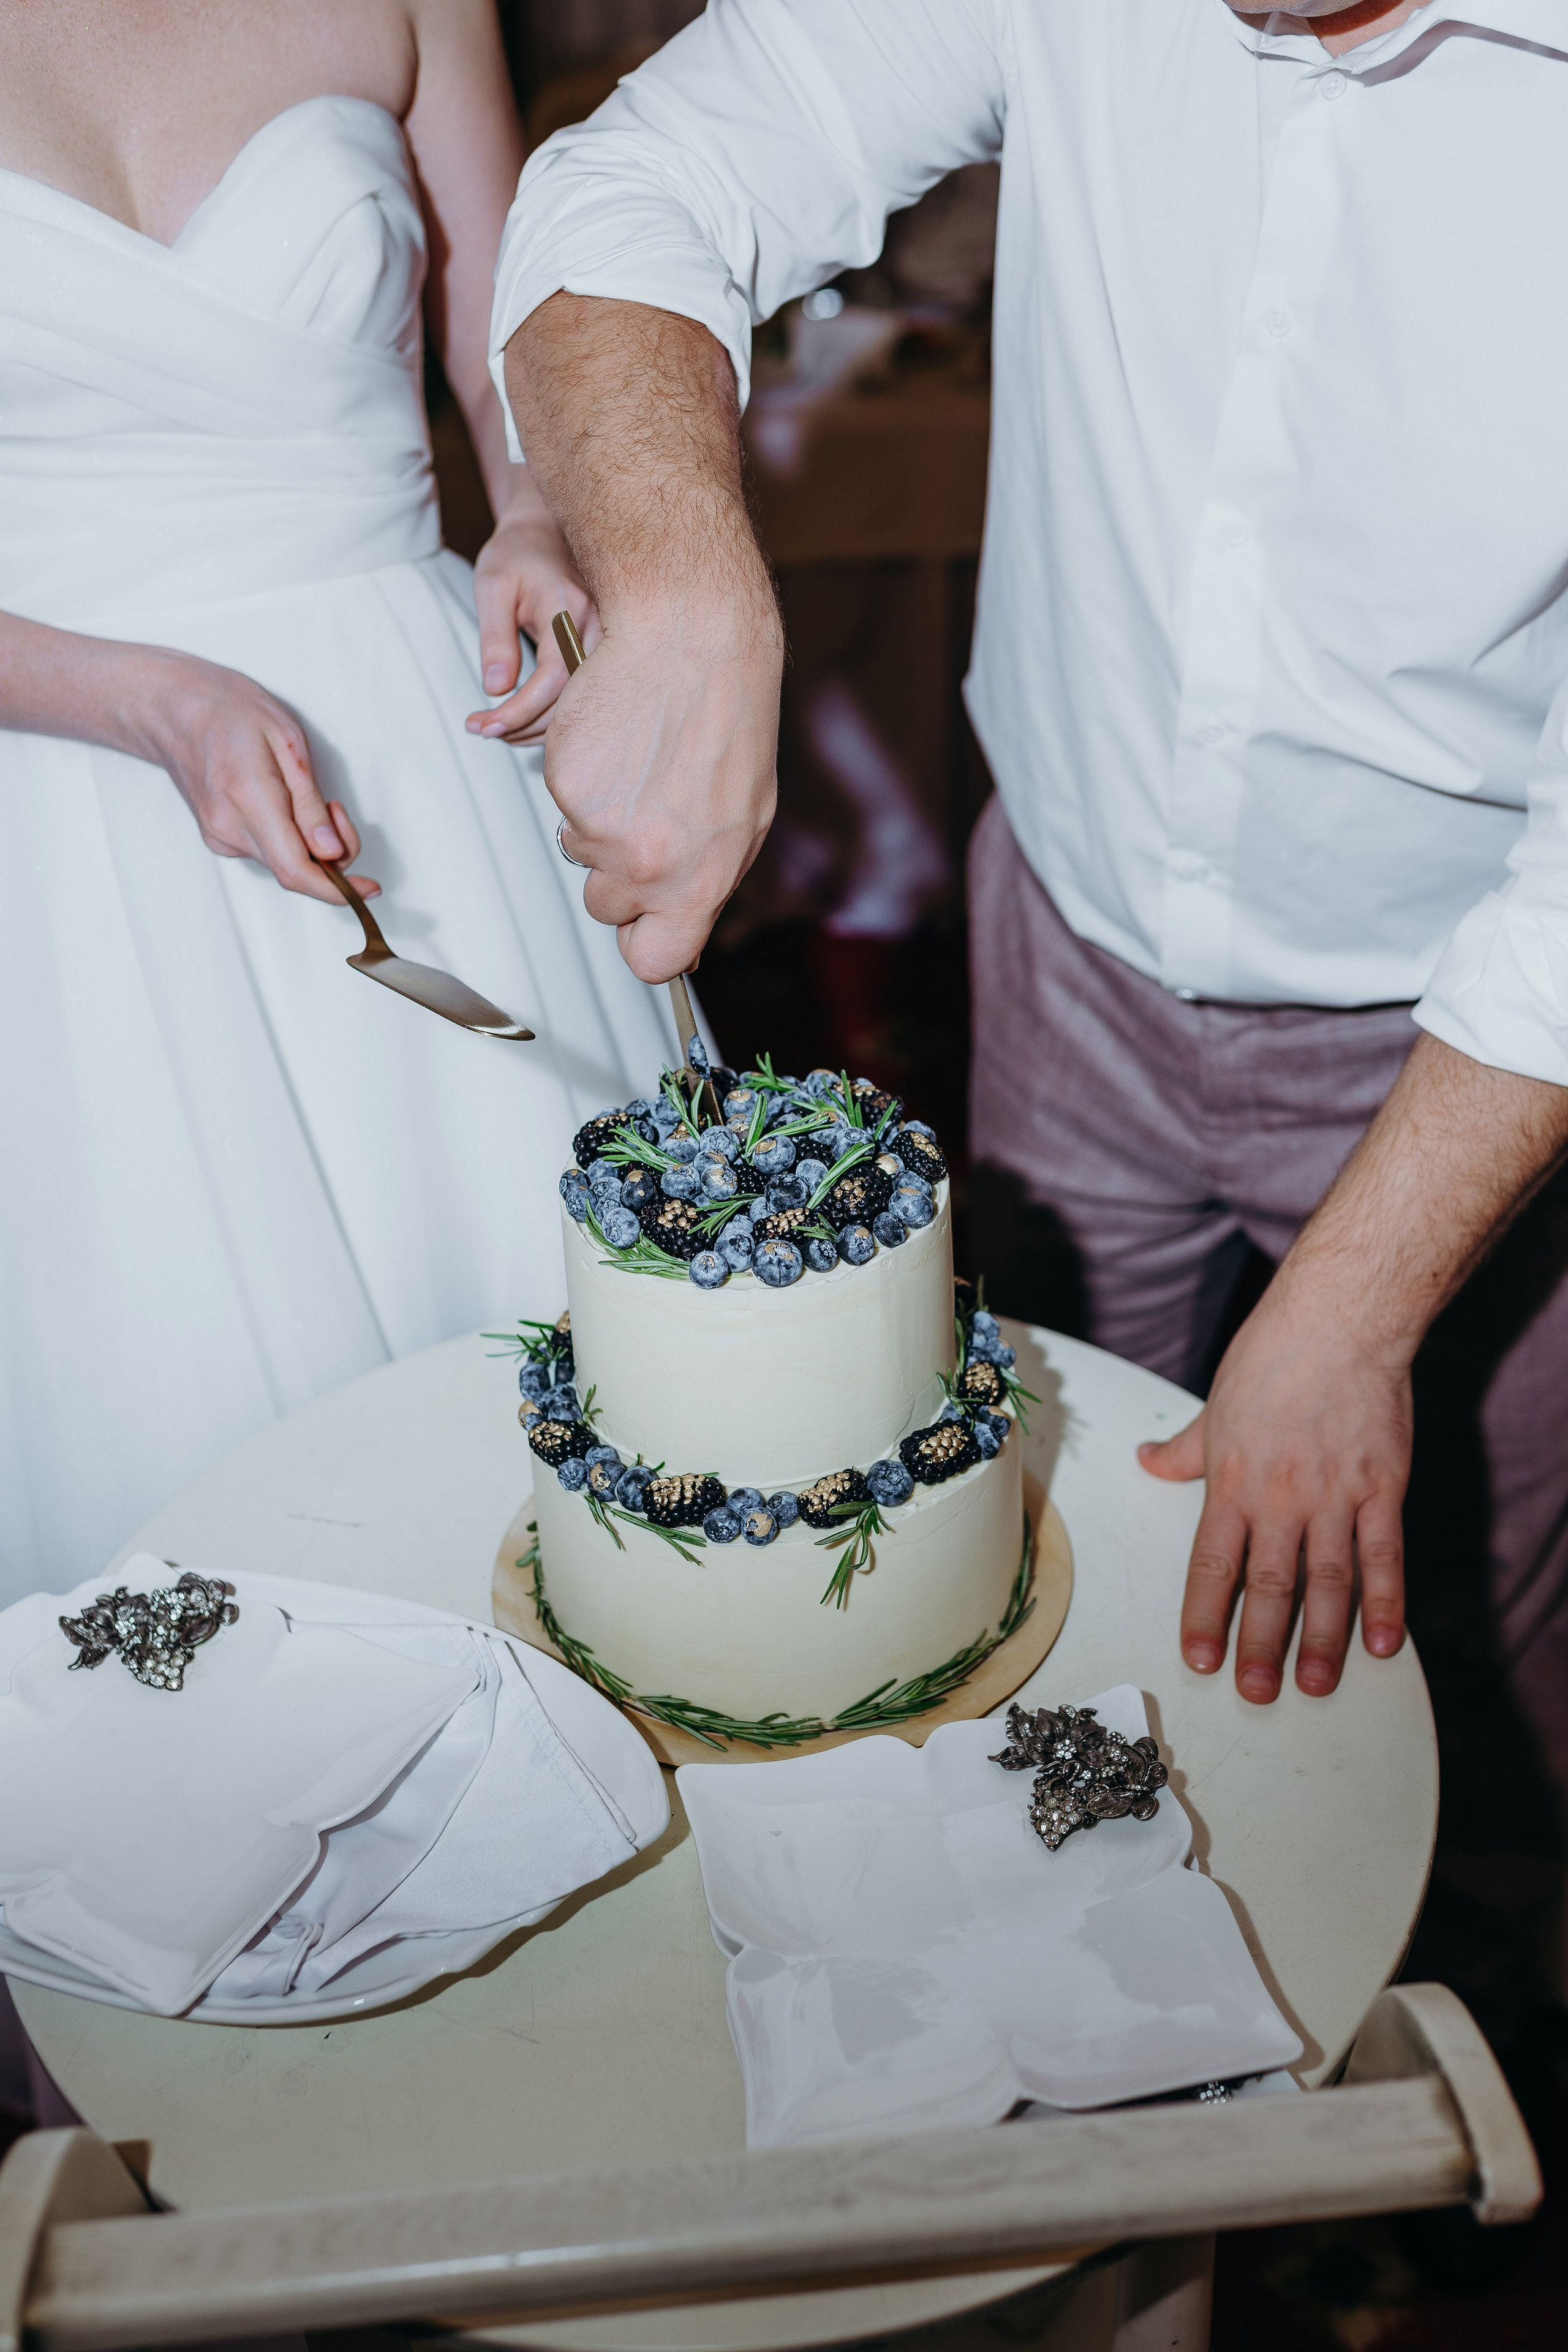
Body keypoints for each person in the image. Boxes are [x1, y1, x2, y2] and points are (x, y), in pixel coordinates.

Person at [485, 0, 1568, 1823]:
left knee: (1466, 1658)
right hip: (1056, 947)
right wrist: (680, 576)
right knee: (1048, 1595)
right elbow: (642, 171)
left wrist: (1358, 1309)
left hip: (1471, 1051)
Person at [0, 0, 675, 1608]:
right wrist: (147, 698)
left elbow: (508, 331)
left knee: (579, 1415)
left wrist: (532, 512)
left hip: (423, 743)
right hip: (60, 792)